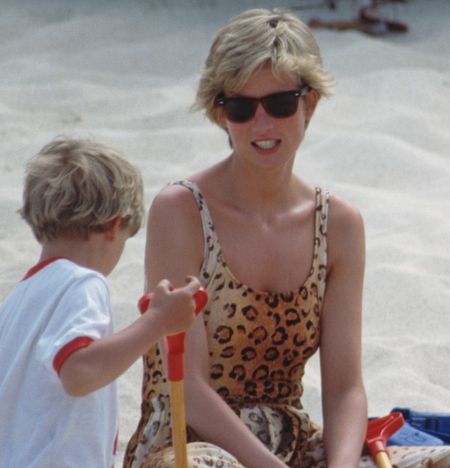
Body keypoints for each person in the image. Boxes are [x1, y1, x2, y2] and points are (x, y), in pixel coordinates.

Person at [124, 8, 450, 468]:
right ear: (220, 112)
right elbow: (190, 390)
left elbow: (345, 388)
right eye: (241, 108)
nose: (262, 124)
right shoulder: (181, 212)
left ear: (309, 103)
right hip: (190, 445)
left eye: (280, 104)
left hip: (293, 441)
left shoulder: (339, 224)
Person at [0, 138, 203, 467]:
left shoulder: (17, 301)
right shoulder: (84, 283)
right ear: (114, 226)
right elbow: (79, 371)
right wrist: (157, 322)